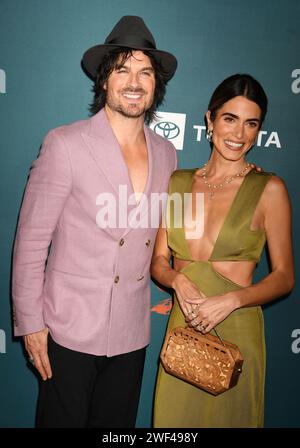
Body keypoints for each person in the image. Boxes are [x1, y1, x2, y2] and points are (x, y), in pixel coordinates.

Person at [12, 16, 178, 428]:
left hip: (130, 332)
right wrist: (31, 323)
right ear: (105, 80)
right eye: (122, 69)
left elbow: (162, 234)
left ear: (156, 84)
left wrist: (177, 283)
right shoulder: (65, 144)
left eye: (145, 71)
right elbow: (32, 242)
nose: (134, 81)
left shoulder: (167, 152)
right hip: (67, 330)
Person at [151, 74, 294, 428]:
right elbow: (158, 260)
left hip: (236, 328)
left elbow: (284, 277)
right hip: (184, 323)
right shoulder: (178, 183)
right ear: (209, 119)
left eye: (251, 124)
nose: (239, 134)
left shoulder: (269, 189)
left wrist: (231, 301)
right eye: (230, 119)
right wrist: (177, 282)